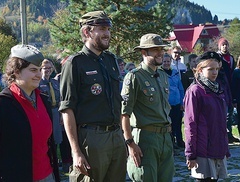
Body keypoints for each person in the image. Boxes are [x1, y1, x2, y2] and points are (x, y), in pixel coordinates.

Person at [59, 11, 127, 182]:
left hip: (116, 136)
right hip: (92, 138)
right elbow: (67, 110)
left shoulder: (111, 60)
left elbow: (116, 101)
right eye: (102, 29)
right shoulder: (74, 63)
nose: (107, 34)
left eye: (108, 29)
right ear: (86, 32)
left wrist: (123, 137)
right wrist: (75, 151)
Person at [0, 44, 60, 182]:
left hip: (48, 176)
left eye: (39, 69)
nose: (39, 74)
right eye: (33, 70)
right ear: (16, 71)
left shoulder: (44, 100)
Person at [121, 33, 174, 182]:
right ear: (144, 52)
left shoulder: (163, 75)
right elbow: (124, 114)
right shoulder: (134, 77)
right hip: (146, 138)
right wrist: (130, 143)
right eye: (155, 50)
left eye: (161, 49)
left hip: (165, 137)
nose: (160, 53)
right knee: (145, 178)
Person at [184, 51, 230, 182]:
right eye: (210, 69)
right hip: (202, 151)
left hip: (217, 148)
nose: (215, 72)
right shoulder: (195, 91)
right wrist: (191, 154)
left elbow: (221, 123)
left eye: (216, 69)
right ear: (200, 70)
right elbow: (190, 124)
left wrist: (225, 148)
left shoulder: (217, 89)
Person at [217, 37, 239, 143]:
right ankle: (223, 135)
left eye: (226, 45)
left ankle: (229, 134)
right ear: (220, 46)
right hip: (221, 86)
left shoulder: (231, 58)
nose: (225, 47)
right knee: (223, 112)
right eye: (223, 45)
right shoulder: (218, 57)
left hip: (230, 86)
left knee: (230, 112)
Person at [160, 53, 185, 148]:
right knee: (169, 124)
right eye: (164, 61)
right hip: (167, 104)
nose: (166, 63)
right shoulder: (160, 73)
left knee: (178, 123)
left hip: (177, 102)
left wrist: (182, 102)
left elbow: (181, 88)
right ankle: (171, 142)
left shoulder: (175, 72)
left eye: (168, 61)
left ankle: (179, 140)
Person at [39, 58, 63, 145]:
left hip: (56, 112)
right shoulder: (38, 83)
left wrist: (61, 115)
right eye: (45, 68)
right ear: (41, 69)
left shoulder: (55, 82)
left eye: (50, 68)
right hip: (45, 113)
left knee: (57, 139)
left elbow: (60, 99)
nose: (48, 70)